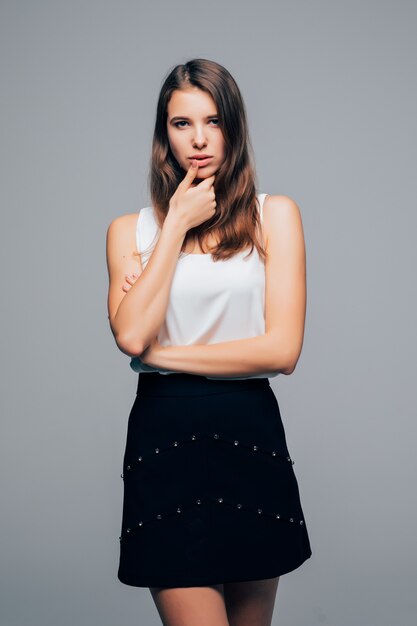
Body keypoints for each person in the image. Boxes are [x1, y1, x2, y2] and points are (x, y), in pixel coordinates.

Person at [106, 58, 312, 626]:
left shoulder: (276, 217)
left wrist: (162, 356)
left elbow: (281, 351)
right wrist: (174, 225)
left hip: (247, 434)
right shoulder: (132, 232)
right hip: (164, 437)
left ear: (234, 127)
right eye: (181, 124)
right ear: (163, 135)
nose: (198, 139)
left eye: (213, 121)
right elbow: (130, 334)